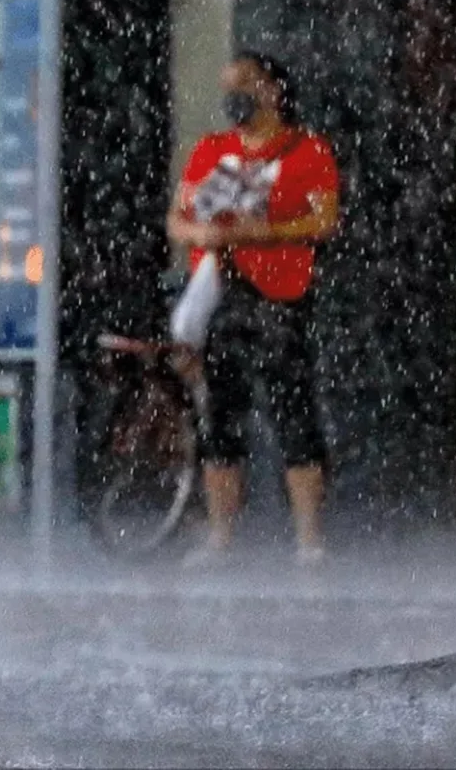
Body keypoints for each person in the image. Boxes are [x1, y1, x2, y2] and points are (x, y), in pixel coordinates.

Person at [166, 52, 340, 568]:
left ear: (272, 89)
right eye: (228, 87)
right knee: (220, 414)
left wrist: (263, 233)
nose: (234, 97)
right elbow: (179, 217)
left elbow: (323, 221)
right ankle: (221, 537)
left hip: (281, 294)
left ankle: (309, 540)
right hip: (224, 290)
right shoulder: (213, 151)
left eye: (244, 85)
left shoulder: (307, 149)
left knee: (293, 411)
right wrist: (203, 234)